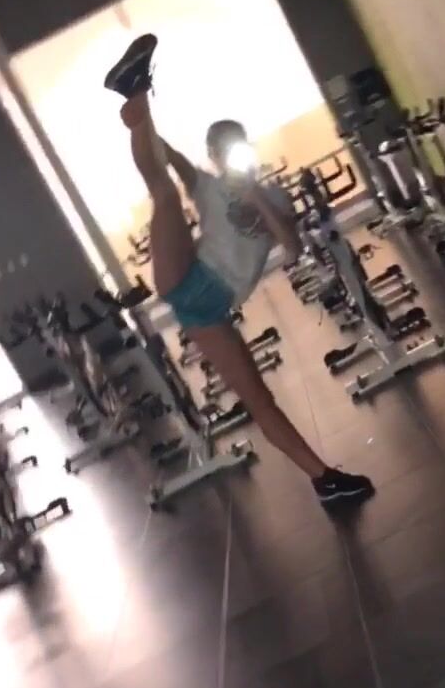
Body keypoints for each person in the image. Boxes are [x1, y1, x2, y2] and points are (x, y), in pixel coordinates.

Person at [104, 34, 374, 504]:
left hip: (209, 310)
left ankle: (324, 479)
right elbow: (167, 160)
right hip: (187, 278)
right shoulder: (205, 186)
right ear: (212, 155)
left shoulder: (274, 197)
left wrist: (256, 199)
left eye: (233, 145)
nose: (225, 153)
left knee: (260, 401)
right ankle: (135, 89)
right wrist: (142, 124)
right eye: (218, 148)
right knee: (164, 192)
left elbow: (292, 248)